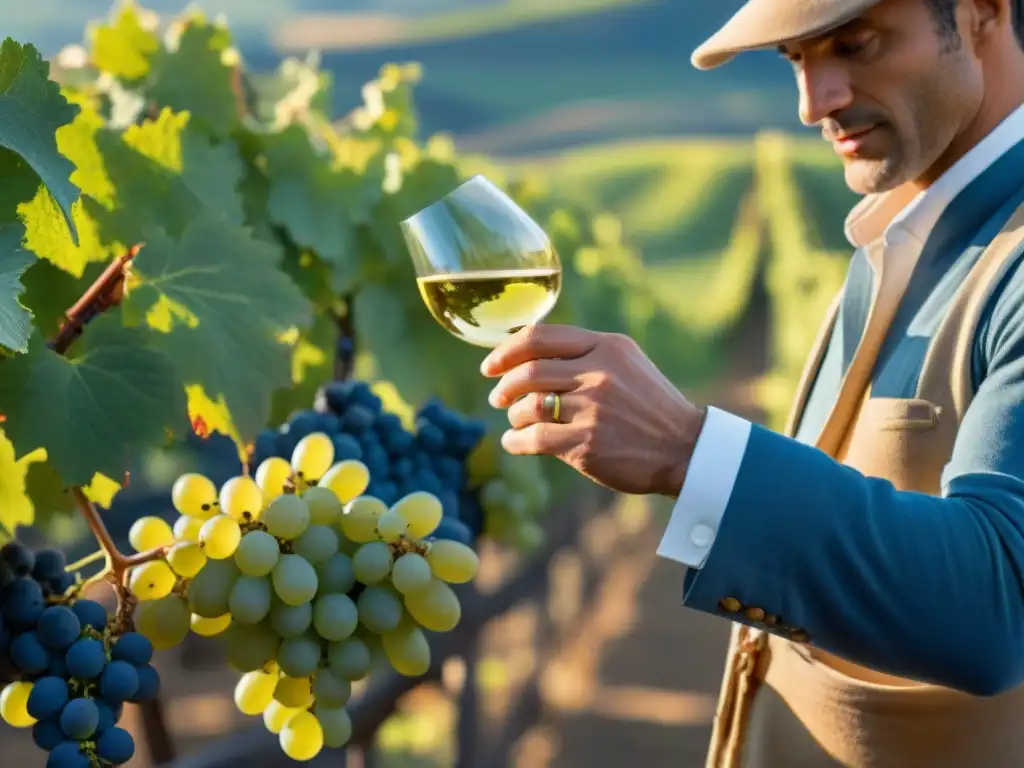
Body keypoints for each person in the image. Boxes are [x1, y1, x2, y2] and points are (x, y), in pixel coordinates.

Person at [479, 0, 1024, 765]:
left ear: (980, 12)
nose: (814, 103)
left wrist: (690, 452)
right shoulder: (897, 233)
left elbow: (999, 605)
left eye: (855, 43)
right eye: (795, 60)